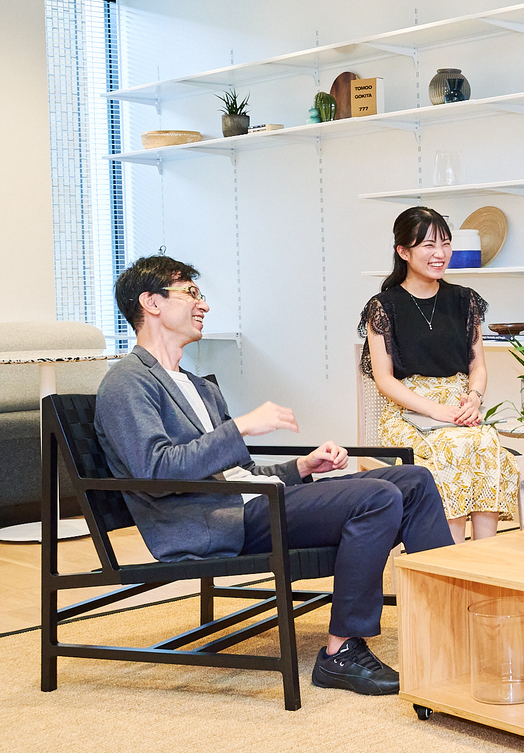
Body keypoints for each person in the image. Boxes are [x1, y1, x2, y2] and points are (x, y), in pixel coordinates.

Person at [95, 255, 453, 697]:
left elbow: (238, 473)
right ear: (150, 302)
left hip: (254, 503)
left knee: (413, 480)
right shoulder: (127, 382)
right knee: (376, 497)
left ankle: (448, 625)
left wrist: (300, 468)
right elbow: (156, 470)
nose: (203, 304)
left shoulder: (199, 386)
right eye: (190, 292)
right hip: (215, 522)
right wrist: (241, 427)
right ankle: (340, 653)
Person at [359, 207, 522, 545]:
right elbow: (384, 380)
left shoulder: (464, 300)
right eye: (429, 245)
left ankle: (484, 555)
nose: (440, 253)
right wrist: (435, 410)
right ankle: (452, 558)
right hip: (407, 413)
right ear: (404, 252)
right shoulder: (383, 306)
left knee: (487, 444)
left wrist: (473, 398)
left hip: (458, 409)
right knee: (454, 447)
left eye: (446, 244)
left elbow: (477, 366)